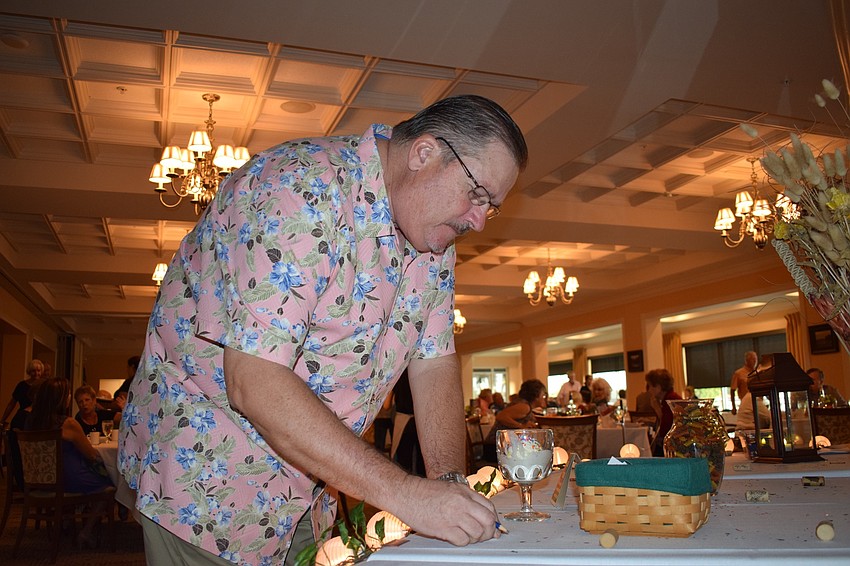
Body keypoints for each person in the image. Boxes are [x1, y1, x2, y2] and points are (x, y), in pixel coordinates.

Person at [118, 94, 528, 564]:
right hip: (209, 485)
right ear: (423, 153)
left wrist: (450, 488)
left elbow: (433, 363)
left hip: (308, 490)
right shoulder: (297, 187)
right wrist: (408, 496)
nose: (478, 220)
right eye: (476, 193)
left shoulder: (432, 242)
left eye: (490, 207)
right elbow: (254, 381)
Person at [27, 376, 114, 548]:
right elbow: (90, 454)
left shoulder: (30, 421)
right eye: (66, 395)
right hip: (68, 479)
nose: (68, 399)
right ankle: (86, 532)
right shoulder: (68, 423)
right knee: (108, 485)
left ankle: (66, 522)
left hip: (41, 480)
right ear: (59, 399)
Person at [645, 368, 682, 456]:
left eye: (650, 386)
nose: (649, 390)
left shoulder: (671, 400)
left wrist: (656, 408)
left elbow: (666, 428)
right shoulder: (668, 397)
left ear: (658, 387)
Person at [1, 359, 44, 431]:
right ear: (29, 372)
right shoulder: (22, 385)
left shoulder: (44, 386)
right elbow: (12, 403)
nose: (36, 373)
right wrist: (3, 420)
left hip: (39, 418)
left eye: (38, 371)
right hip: (23, 417)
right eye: (34, 371)